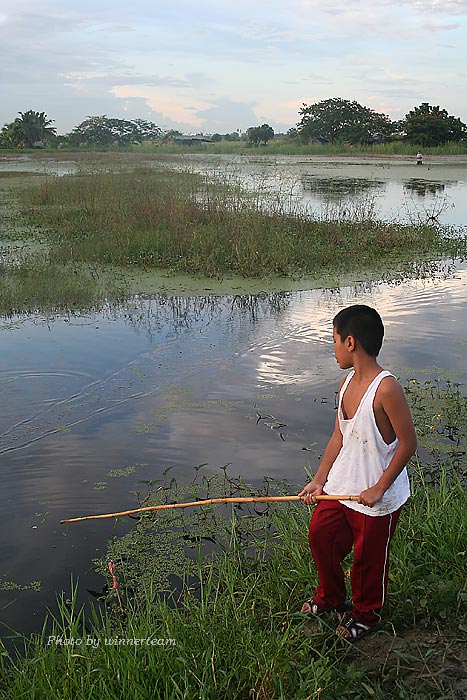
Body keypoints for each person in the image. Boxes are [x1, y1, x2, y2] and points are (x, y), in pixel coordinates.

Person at [299, 305, 416, 643]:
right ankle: (331, 597)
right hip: (343, 486)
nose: (332, 349)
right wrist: (320, 480)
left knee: (367, 559)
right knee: (321, 534)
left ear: (350, 342)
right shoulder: (345, 382)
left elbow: (408, 444)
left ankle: (366, 614)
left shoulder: (386, 389)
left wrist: (380, 487)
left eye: (334, 341)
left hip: (376, 496)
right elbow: (339, 435)